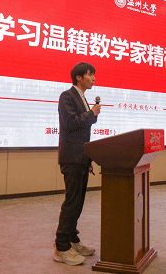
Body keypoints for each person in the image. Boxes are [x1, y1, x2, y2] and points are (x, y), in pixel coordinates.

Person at [53, 62, 101, 266]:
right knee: (72, 201)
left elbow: (83, 132)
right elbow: (71, 123)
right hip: (71, 156)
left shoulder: (82, 98)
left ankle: (72, 240)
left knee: (78, 202)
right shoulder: (67, 96)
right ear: (79, 77)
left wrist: (88, 158)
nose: (94, 78)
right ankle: (61, 247)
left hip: (81, 157)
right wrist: (92, 114)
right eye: (90, 74)